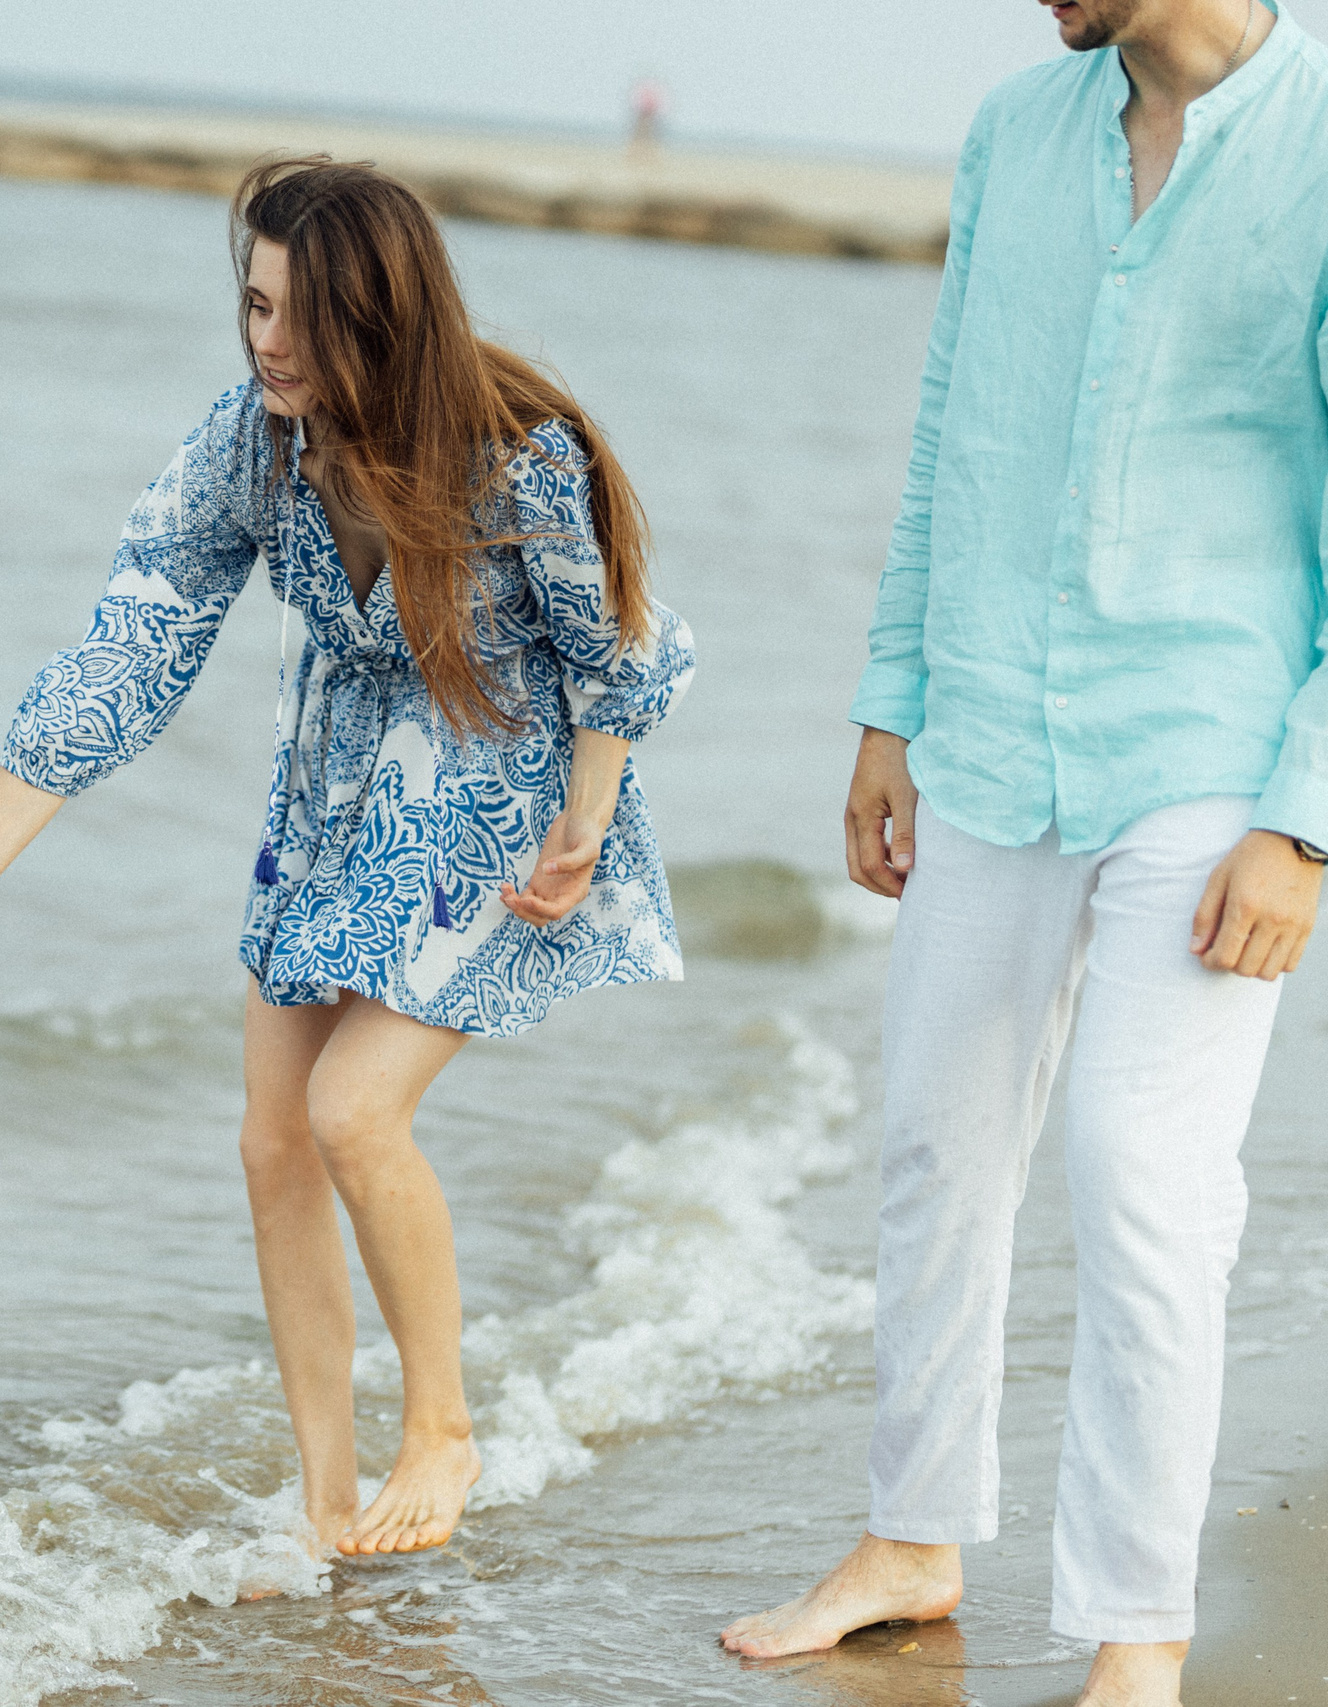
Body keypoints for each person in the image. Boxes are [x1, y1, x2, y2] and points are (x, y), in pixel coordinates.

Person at [0, 158, 695, 1564]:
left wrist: (586, 821)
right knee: (272, 1139)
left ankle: (441, 1425)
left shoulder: (520, 454)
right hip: (330, 786)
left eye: (299, 314)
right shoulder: (254, 442)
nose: (266, 338)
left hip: (494, 788)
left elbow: (618, 648)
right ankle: (328, 1502)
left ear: (379, 316)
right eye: (252, 303)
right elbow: (126, 652)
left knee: (352, 1111)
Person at [720, 3, 1328, 1702]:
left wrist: (1306, 822)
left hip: (1217, 748)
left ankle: (1139, 1633)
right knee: (936, 1140)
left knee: (1144, 1180)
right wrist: (888, 700)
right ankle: (912, 1538)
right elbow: (950, 430)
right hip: (988, 721)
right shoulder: (1013, 131)